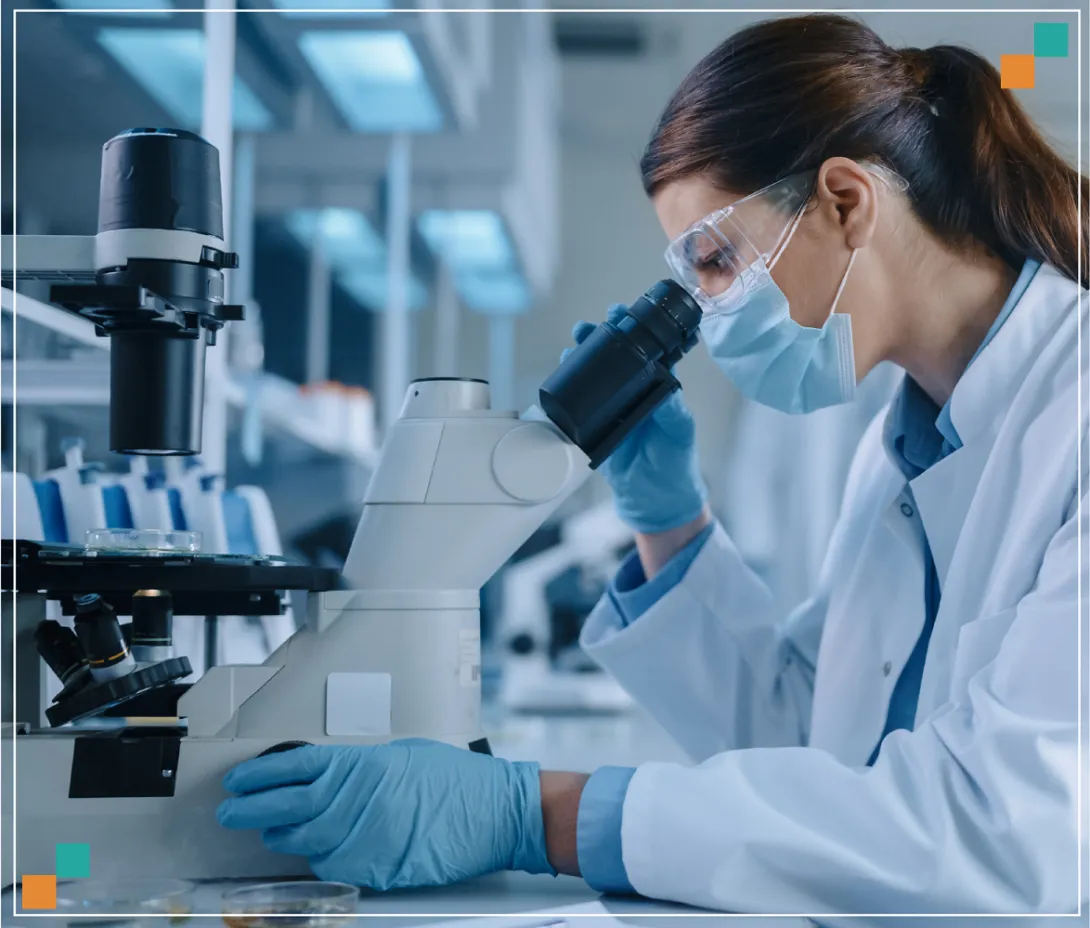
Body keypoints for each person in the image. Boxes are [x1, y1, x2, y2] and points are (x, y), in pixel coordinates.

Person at [216, 14, 1089, 917]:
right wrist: (669, 522)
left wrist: (535, 816)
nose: (705, 309)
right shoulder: (905, 446)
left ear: (844, 202)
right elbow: (814, 743)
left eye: (717, 259)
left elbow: (1004, 834)